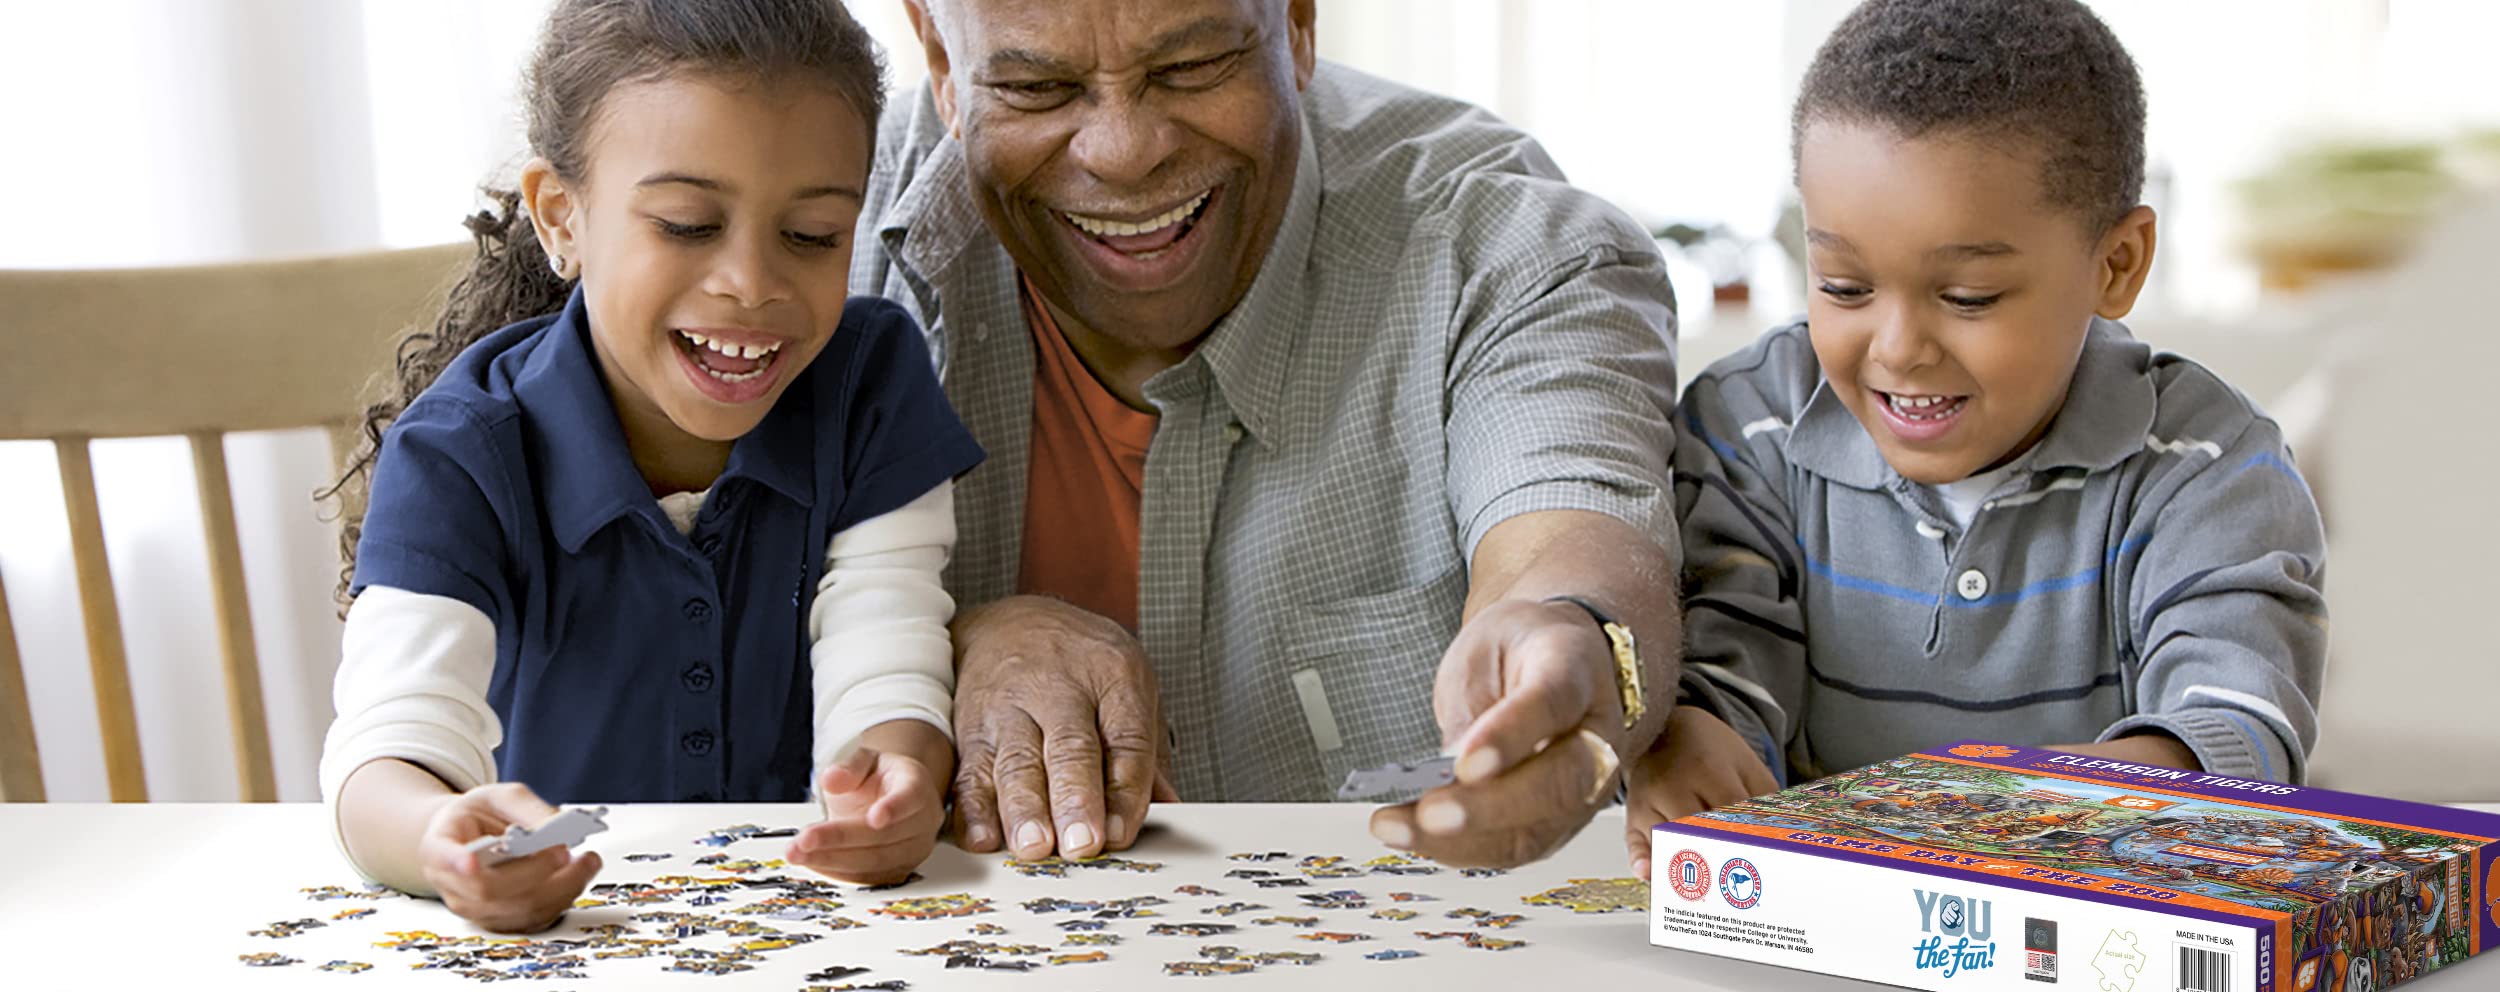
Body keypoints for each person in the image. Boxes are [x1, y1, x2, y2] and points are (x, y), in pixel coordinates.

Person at [856, 0, 1683, 869]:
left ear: (1296, 23)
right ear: (941, 61)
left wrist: (1576, 644)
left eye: (1192, 67)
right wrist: (937, 643)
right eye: (1035, 86)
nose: (1124, 151)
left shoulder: (1503, 244)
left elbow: (1569, 538)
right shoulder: (796, 224)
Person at [315, 0, 983, 932]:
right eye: (685, 223)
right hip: (565, 938)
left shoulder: (871, 384)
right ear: (562, 217)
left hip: (813, 928)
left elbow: (886, 647)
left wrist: (895, 777)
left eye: (814, 235)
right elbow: (386, 750)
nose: (751, 281)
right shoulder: (460, 451)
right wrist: (439, 836)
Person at [1624, 0, 2328, 879]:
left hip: (2093, 914)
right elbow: (1728, 646)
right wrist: (1693, 733)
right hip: (1811, 926)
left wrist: (2135, 786)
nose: (1897, 348)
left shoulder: (2206, 465)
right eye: (1843, 286)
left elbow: (2234, 704)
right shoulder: (1748, 426)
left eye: (1968, 298)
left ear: (2116, 265)